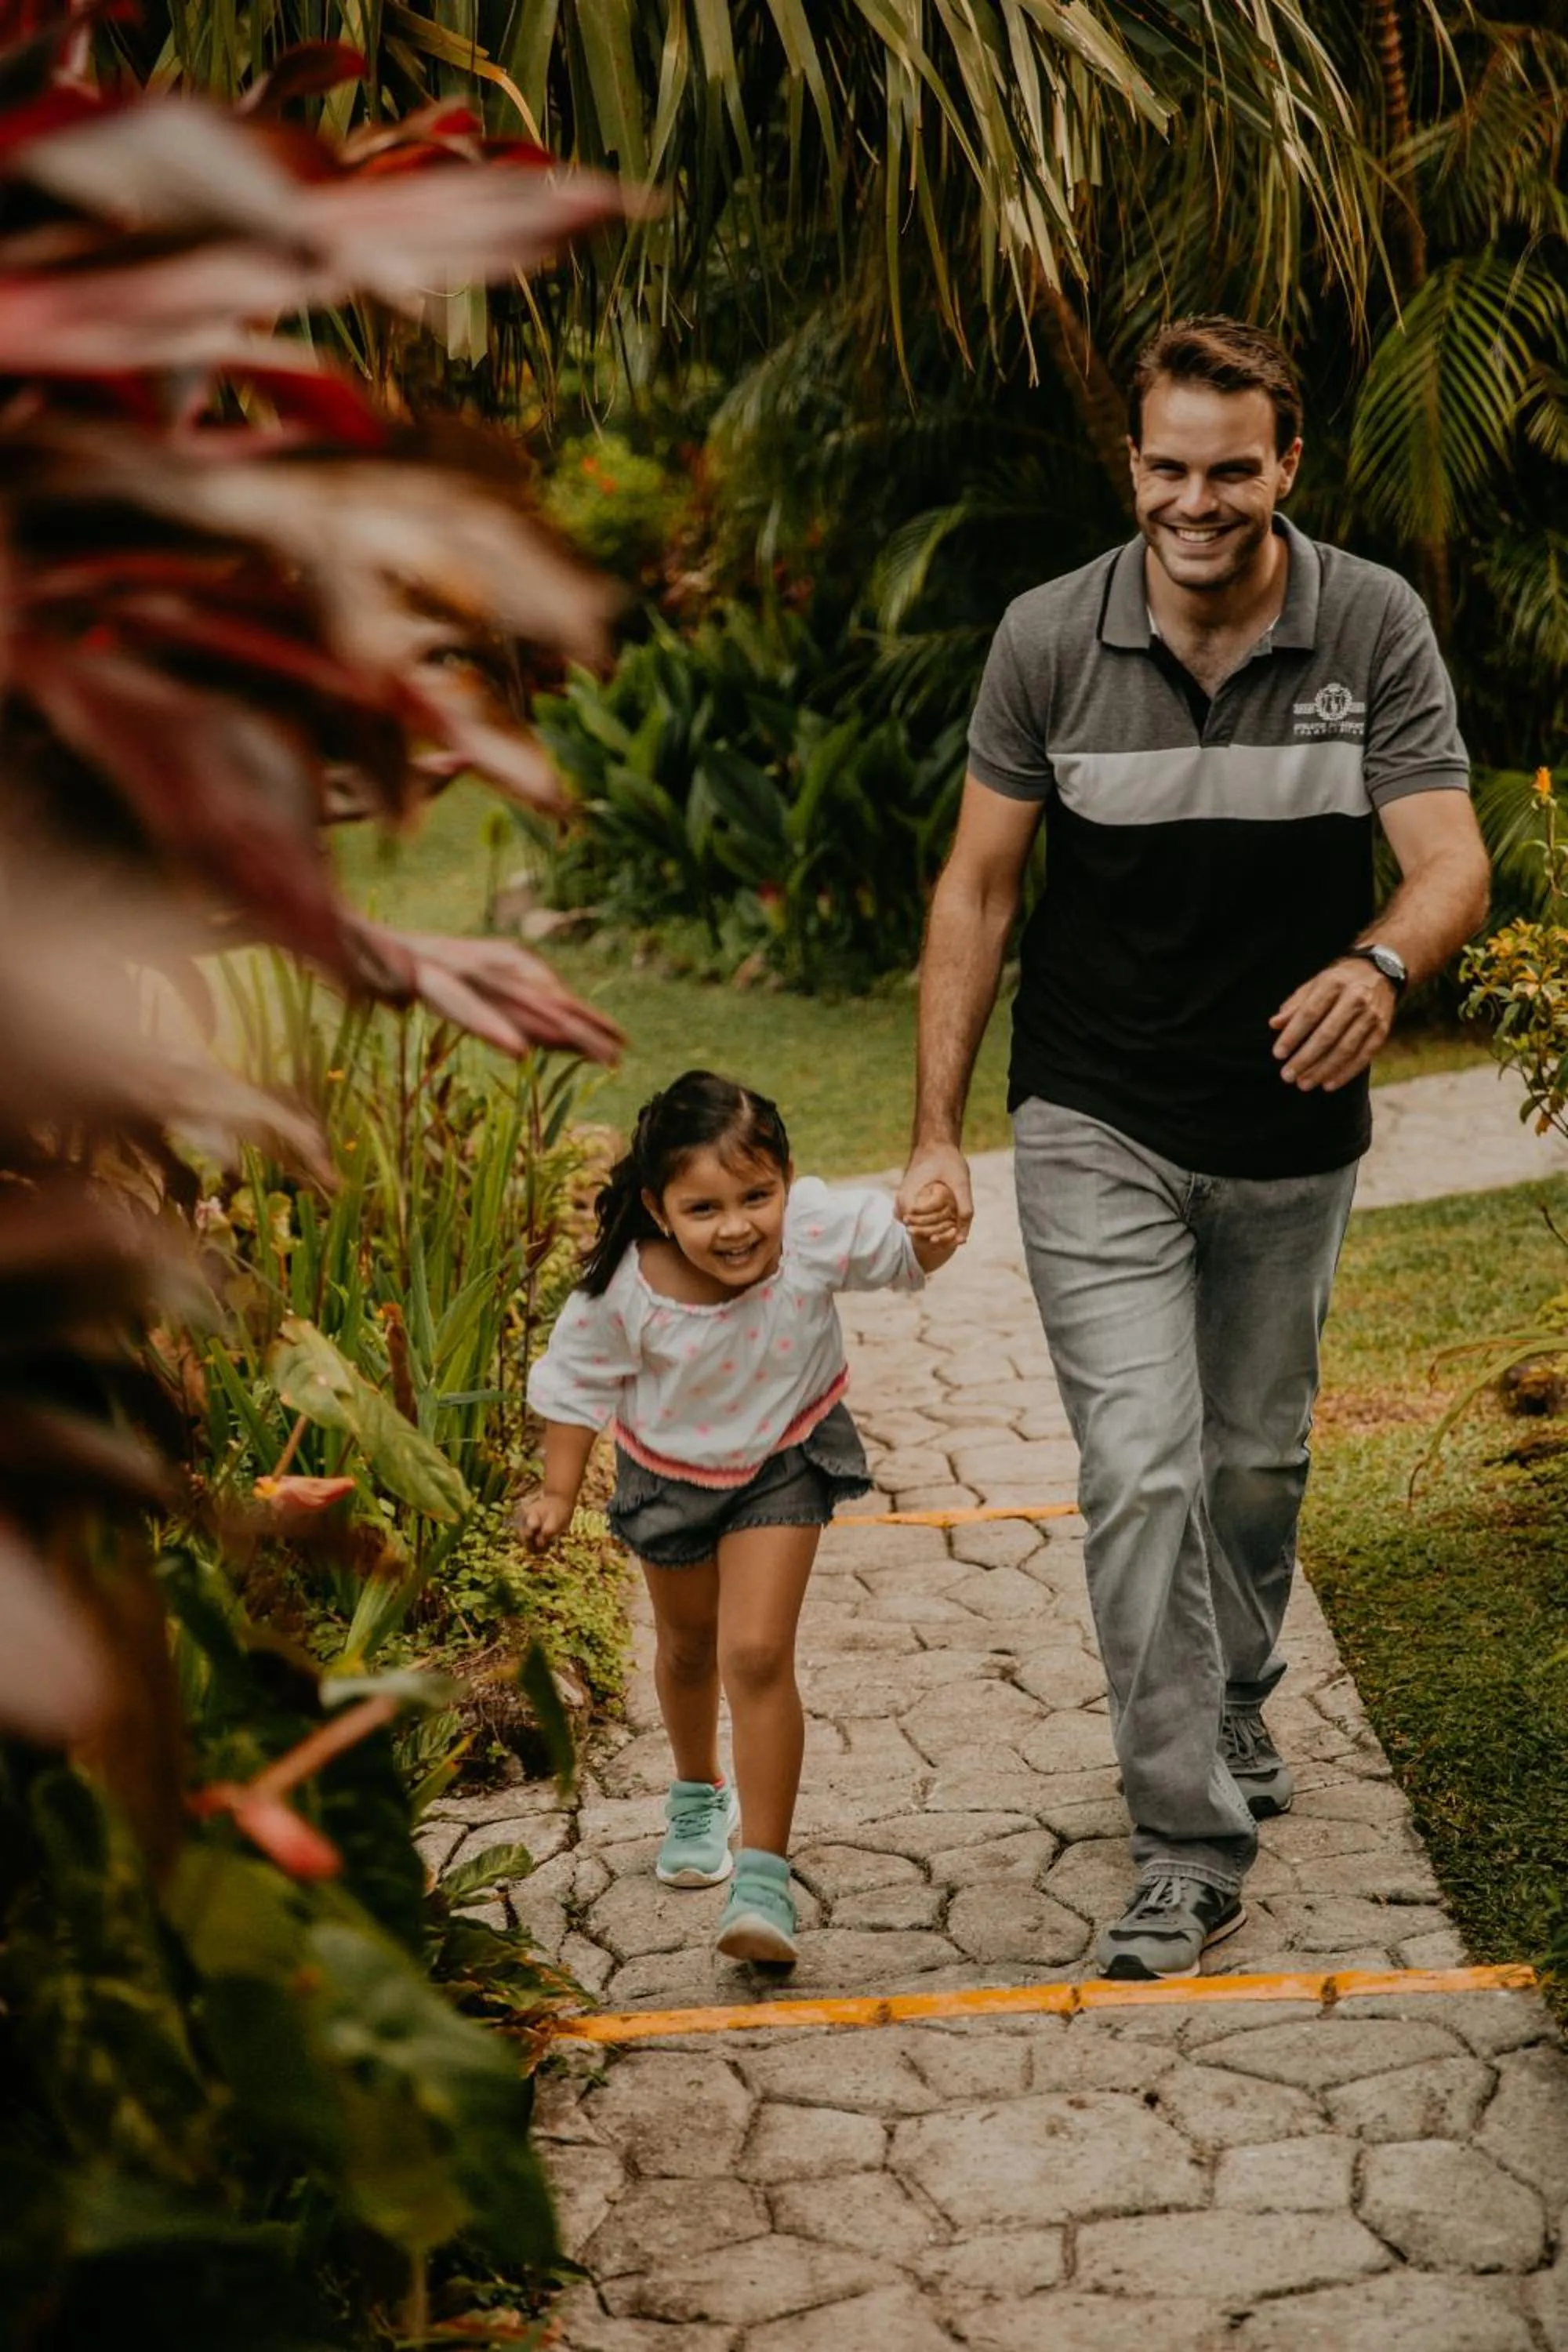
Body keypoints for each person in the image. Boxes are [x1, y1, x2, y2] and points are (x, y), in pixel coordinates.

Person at [898, 314, 1490, 1982]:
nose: (1196, 500)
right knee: (1141, 1466)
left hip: (1290, 1123)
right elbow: (978, 889)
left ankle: (1232, 1697)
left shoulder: (1369, 622)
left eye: (1232, 469)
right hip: (1094, 1109)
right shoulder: (1045, 638)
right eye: (1167, 468)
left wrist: (1378, 966)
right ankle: (1181, 1842)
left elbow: (1446, 860)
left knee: (1251, 1463)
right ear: (1133, 465)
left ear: (1285, 464)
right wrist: (940, 1129)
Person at [521, 1069, 960, 1965]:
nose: (736, 1228)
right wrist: (556, 1492)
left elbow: (907, 1251)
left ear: (788, 1180)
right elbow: (571, 1388)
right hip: (667, 1474)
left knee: (754, 1653)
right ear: (657, 1206)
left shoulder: (811, 1231)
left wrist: (936, 1219)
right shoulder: (624, 1290)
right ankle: (695, 1793)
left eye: (757, 1196)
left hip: (781, 1459)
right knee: (687, 1649)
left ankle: (762, 1881)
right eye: (704, 1208)